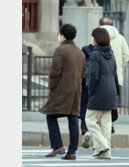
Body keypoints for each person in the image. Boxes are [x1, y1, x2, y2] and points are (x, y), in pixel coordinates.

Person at [40, 24, 86, 160]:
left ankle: (57, 146)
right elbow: (84, 73)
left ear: (63, 36)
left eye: (60, 34)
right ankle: (72, 151)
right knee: (73, 119)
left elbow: (55, 71)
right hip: (76, 90)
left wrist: (52, 86)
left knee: (51, 116)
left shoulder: (61, 50)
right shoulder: (80, 52)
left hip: (61, 90)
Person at [85, 28, 120, 159]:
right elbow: (115, 74)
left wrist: (90, 90)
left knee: (90, 120)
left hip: (99, 91)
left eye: (93, 37)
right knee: (105, 124)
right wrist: (117, 91)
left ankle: (103, 144)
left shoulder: (95, 54)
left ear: (97, 39)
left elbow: (93, 75)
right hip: (111, 91)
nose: (91, 39)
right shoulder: (111, 53)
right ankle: (106, 153)